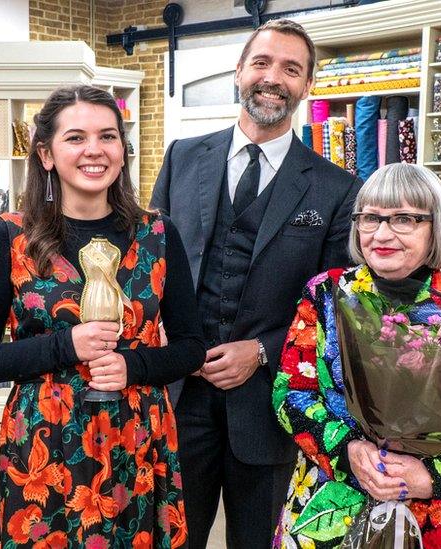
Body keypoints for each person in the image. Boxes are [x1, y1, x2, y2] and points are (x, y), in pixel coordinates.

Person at [0, 85, 205, 547]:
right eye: (76, 138)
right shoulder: (11, 237)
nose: (94, 150)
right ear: (46, 154)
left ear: (122, 151)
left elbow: (191, 348)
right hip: (45, 451)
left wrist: (135, 365)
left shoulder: (158, 233)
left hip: (138, 442)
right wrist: (64, 346)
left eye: (108, 136)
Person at [150, 18, 362, 549]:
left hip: (269, 407)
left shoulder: (337, 189)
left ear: (307, 86)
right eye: (262, 63)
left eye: (291, 69)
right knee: (173, 538)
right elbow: (146, 267)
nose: (273, 78)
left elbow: (335, 303)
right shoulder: (181, 158)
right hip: (180, 396)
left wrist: (263, 352)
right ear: (239, 71)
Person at [272, 163, 441, 548]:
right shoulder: (326, 295)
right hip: (327, 511)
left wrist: (431, 478)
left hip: (431, 521)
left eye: (404, 219)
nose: (382, 234)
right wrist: (349, 449)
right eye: (370, 218)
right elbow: (291, 394)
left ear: (435, 226)